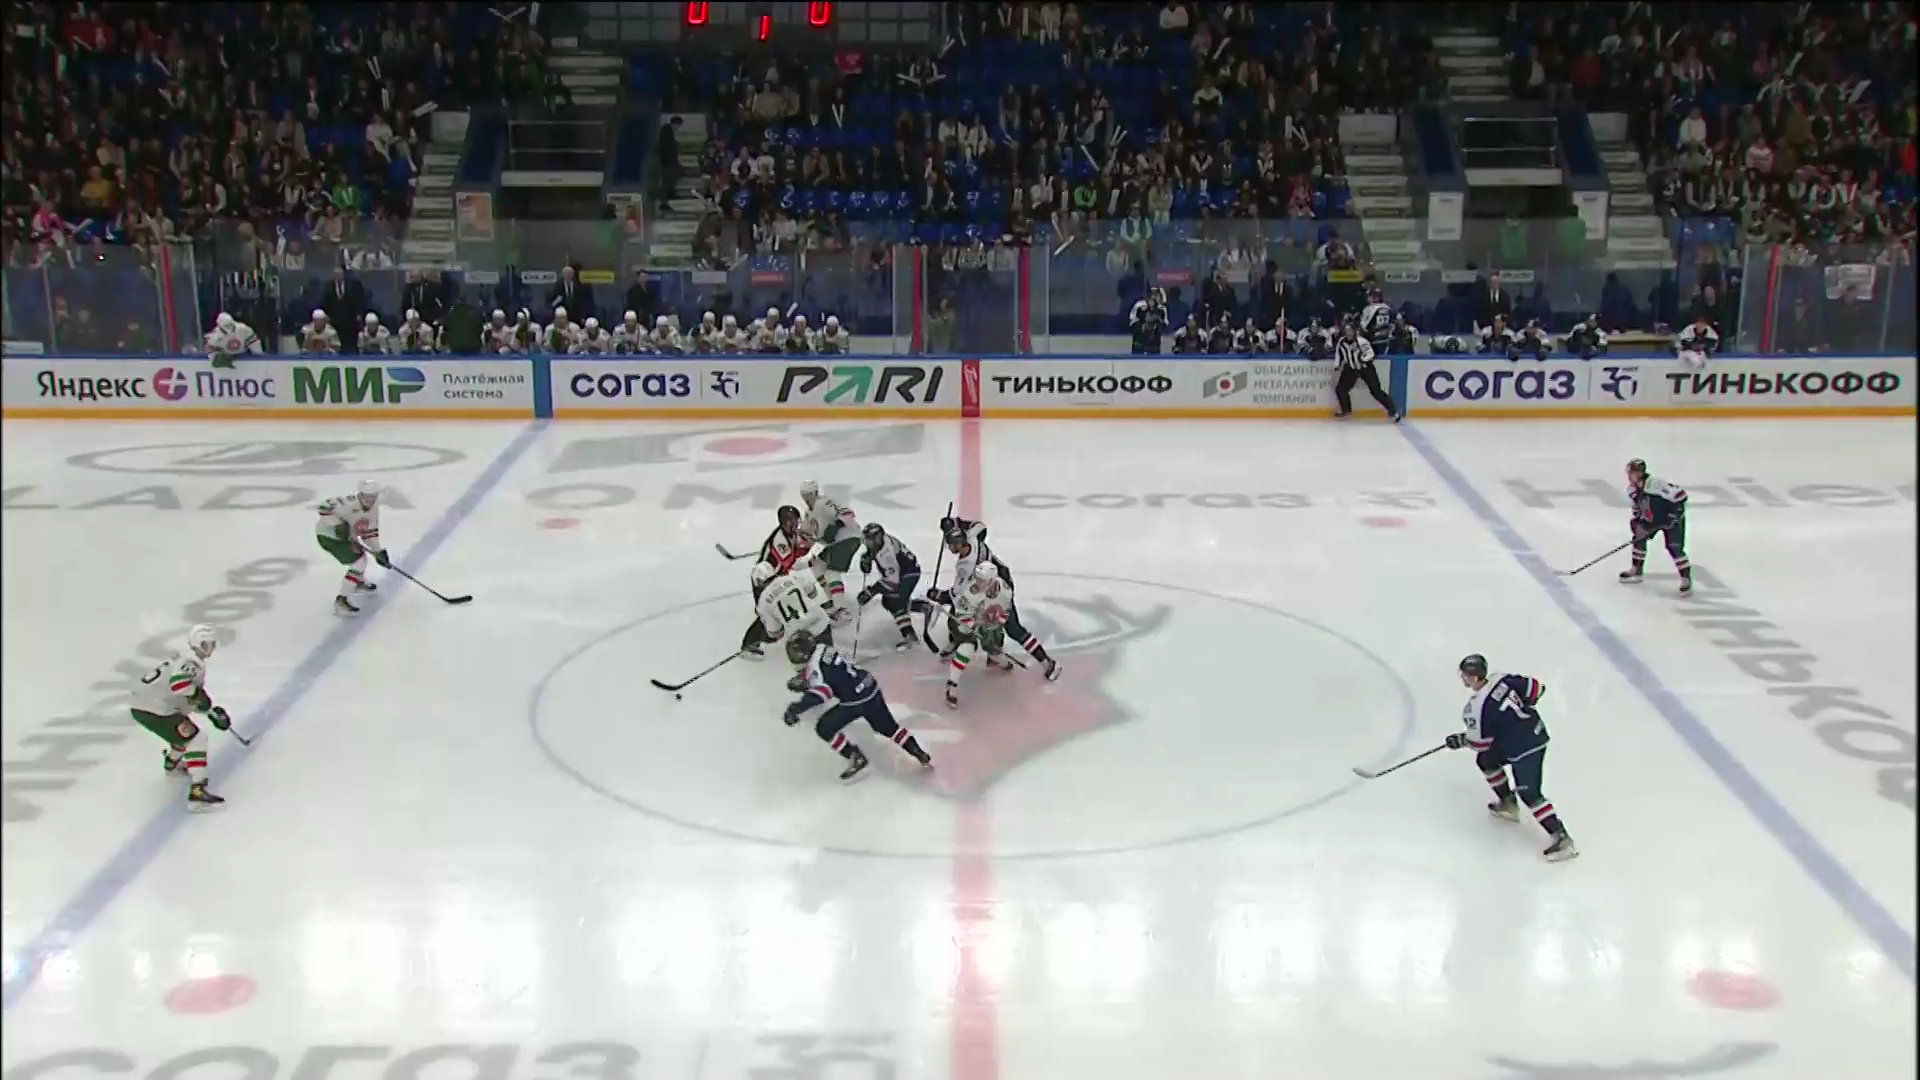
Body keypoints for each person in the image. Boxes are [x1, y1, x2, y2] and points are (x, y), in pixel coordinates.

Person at [1448, 654, 1577, 862]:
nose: (1462, 678)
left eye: (1464, 675)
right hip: (1536, 732)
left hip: (1523, 749)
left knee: (1530, 794)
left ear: (1472, 678)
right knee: (1486, 760)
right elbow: (1537, 689)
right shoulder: (1503, 679)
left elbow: (1481, 743)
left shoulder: (1476, 707)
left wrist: (1462, 740)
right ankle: (1508, 804)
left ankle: (1562, 838)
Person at [782, 631, 934, 782]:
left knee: (824, 728)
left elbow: (822, 693)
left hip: (855, 700)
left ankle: (855, 756)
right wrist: (808, 680)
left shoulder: (814, 666)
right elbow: (832, 671)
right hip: (869, 684)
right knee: (889, 728)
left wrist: (797, 708)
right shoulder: (823, 647)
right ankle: (918, 752)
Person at [128, 624, 229, 811]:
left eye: (212, 644)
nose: (210, 648)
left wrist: (210, 712)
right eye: (207, 644)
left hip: (145, 705)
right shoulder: (193, 662)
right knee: (196, 739)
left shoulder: (183, 656)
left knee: (182, 730)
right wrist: (199, 696)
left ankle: (172, 765)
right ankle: (197, 793)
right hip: (154, 708)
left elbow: (184, 696)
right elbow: (179, 685)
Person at [316, 481, 389, 615]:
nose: (370, 500)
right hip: (328, 537)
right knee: (360, 561)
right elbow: (323, 507)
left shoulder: (373, 510)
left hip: (347, 539)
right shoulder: (348, 502)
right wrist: (337, 523)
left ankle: (356, 582)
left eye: (373, 497)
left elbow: (369, 533)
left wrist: (378, 551)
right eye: (367, 496)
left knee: (360, 558)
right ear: (360, 494)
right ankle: (342, 600)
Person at [1620, 458, 1692, 594]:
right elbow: (1637, 507)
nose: (1630, 476)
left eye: (1633, 473)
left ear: (1640, 473)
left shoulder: (1655, 484)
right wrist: (1638, 521)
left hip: (1671, 520)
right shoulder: (1632, 489)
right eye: (1629, 473)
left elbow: (1681, 496)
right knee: (1639, 539)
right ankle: (1636, 570)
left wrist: (1673, 516)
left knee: (1674, 548)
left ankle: (1686, 579)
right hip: (1652, 519)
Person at [856, 523, 922, 651]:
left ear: (877, 538)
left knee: (893, 602)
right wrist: (868, 558)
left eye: (869, 541)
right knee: (891, 601)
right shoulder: (882, 542)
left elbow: (893, 581)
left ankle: (911, 635)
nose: (867, 544)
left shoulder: (887, 554)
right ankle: (921, 610)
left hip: (908, 574)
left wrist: (871, 591)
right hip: (905, 571)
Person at [1331, 319, 1401, 421]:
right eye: (1346, 330)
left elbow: (1371, 354)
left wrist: (1363, 359)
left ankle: (1393, 411)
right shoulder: (1341, 342)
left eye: (1350, 330)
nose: (1348, 333)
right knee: (1340, 389)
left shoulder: (1362, 341)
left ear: (1354, 331)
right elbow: (1338, 353)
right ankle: (1346, 410)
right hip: (1351, 368)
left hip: (1365, 368)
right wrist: (1337, 365)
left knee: (1376, 392)